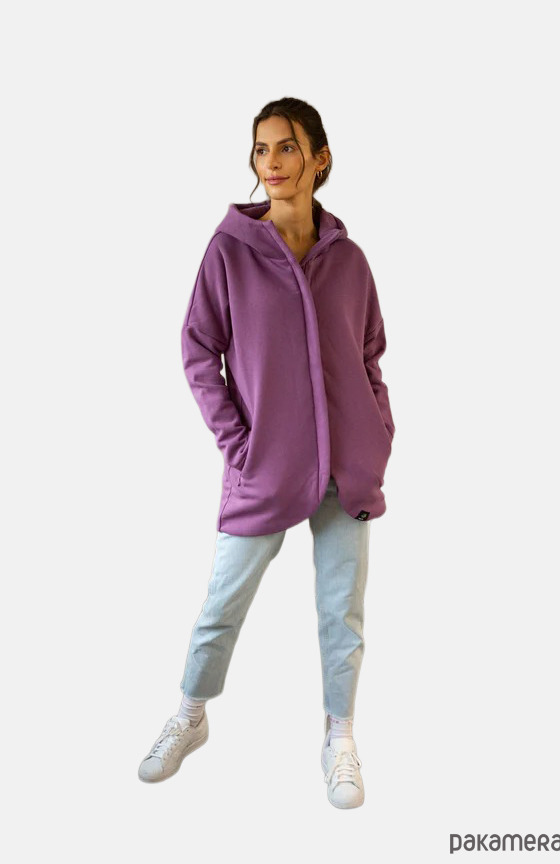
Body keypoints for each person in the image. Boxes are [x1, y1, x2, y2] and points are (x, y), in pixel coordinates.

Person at [138, 97, 395, 809]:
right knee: (222, 603)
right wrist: (238, 443)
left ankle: (340, 736)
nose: (272, 162)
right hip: (267, 467)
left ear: (319, 158)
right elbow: (198, 350)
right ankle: (191, 714)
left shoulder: (350, 260)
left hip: (348, 468)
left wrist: (378, 430)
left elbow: (370, 354)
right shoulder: (230, 253)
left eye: (286, 147)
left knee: (342, 613)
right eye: (261, 149)